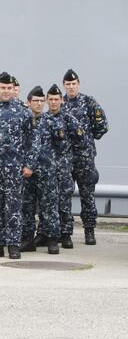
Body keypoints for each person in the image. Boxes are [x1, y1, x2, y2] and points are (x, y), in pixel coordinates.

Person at [0, 72, 39, 259]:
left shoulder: (23, 112)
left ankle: (13, 245)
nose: (6, 91)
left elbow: (33, 140)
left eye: (9, 88)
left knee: (13, 207)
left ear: (13, 89)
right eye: (3, 88)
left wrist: (29, 165)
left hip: (14, 167)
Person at [62, 69, 109, 245]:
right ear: (64, 85)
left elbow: (102, 126)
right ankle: (65, 232)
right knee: (64, 195)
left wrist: (88, 140)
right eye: (68, 84)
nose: (71, 87)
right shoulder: (60, 103)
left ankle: (89, 230)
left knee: (87, 195)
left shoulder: (89, 102)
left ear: (78, 84)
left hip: (85, 158)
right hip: (66, 158)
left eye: (74, 84)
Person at [44, 84, 90, 249]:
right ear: (46, 100)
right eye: (51, 99)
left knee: (64, 202)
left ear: (61, 100)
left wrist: (71, 159)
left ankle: (66, 234)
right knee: (48, 203)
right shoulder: (42, 119)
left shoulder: (69, 120)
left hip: (64, 169)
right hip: (47, 170)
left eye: (57, 99)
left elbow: (83, 142)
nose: (54, 102)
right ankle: (50, 234)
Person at [19, 86, 62, 254]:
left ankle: (52, 239)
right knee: (26, 206)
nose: (38, 104)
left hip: (46, 171)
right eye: (35, 101)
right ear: (28, 102)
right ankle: (28, 239)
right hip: (27, 172)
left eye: (40, 101)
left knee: (49, 206)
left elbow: (60, 146)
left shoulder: (51, 122)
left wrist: (52, 164)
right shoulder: (22, 121)